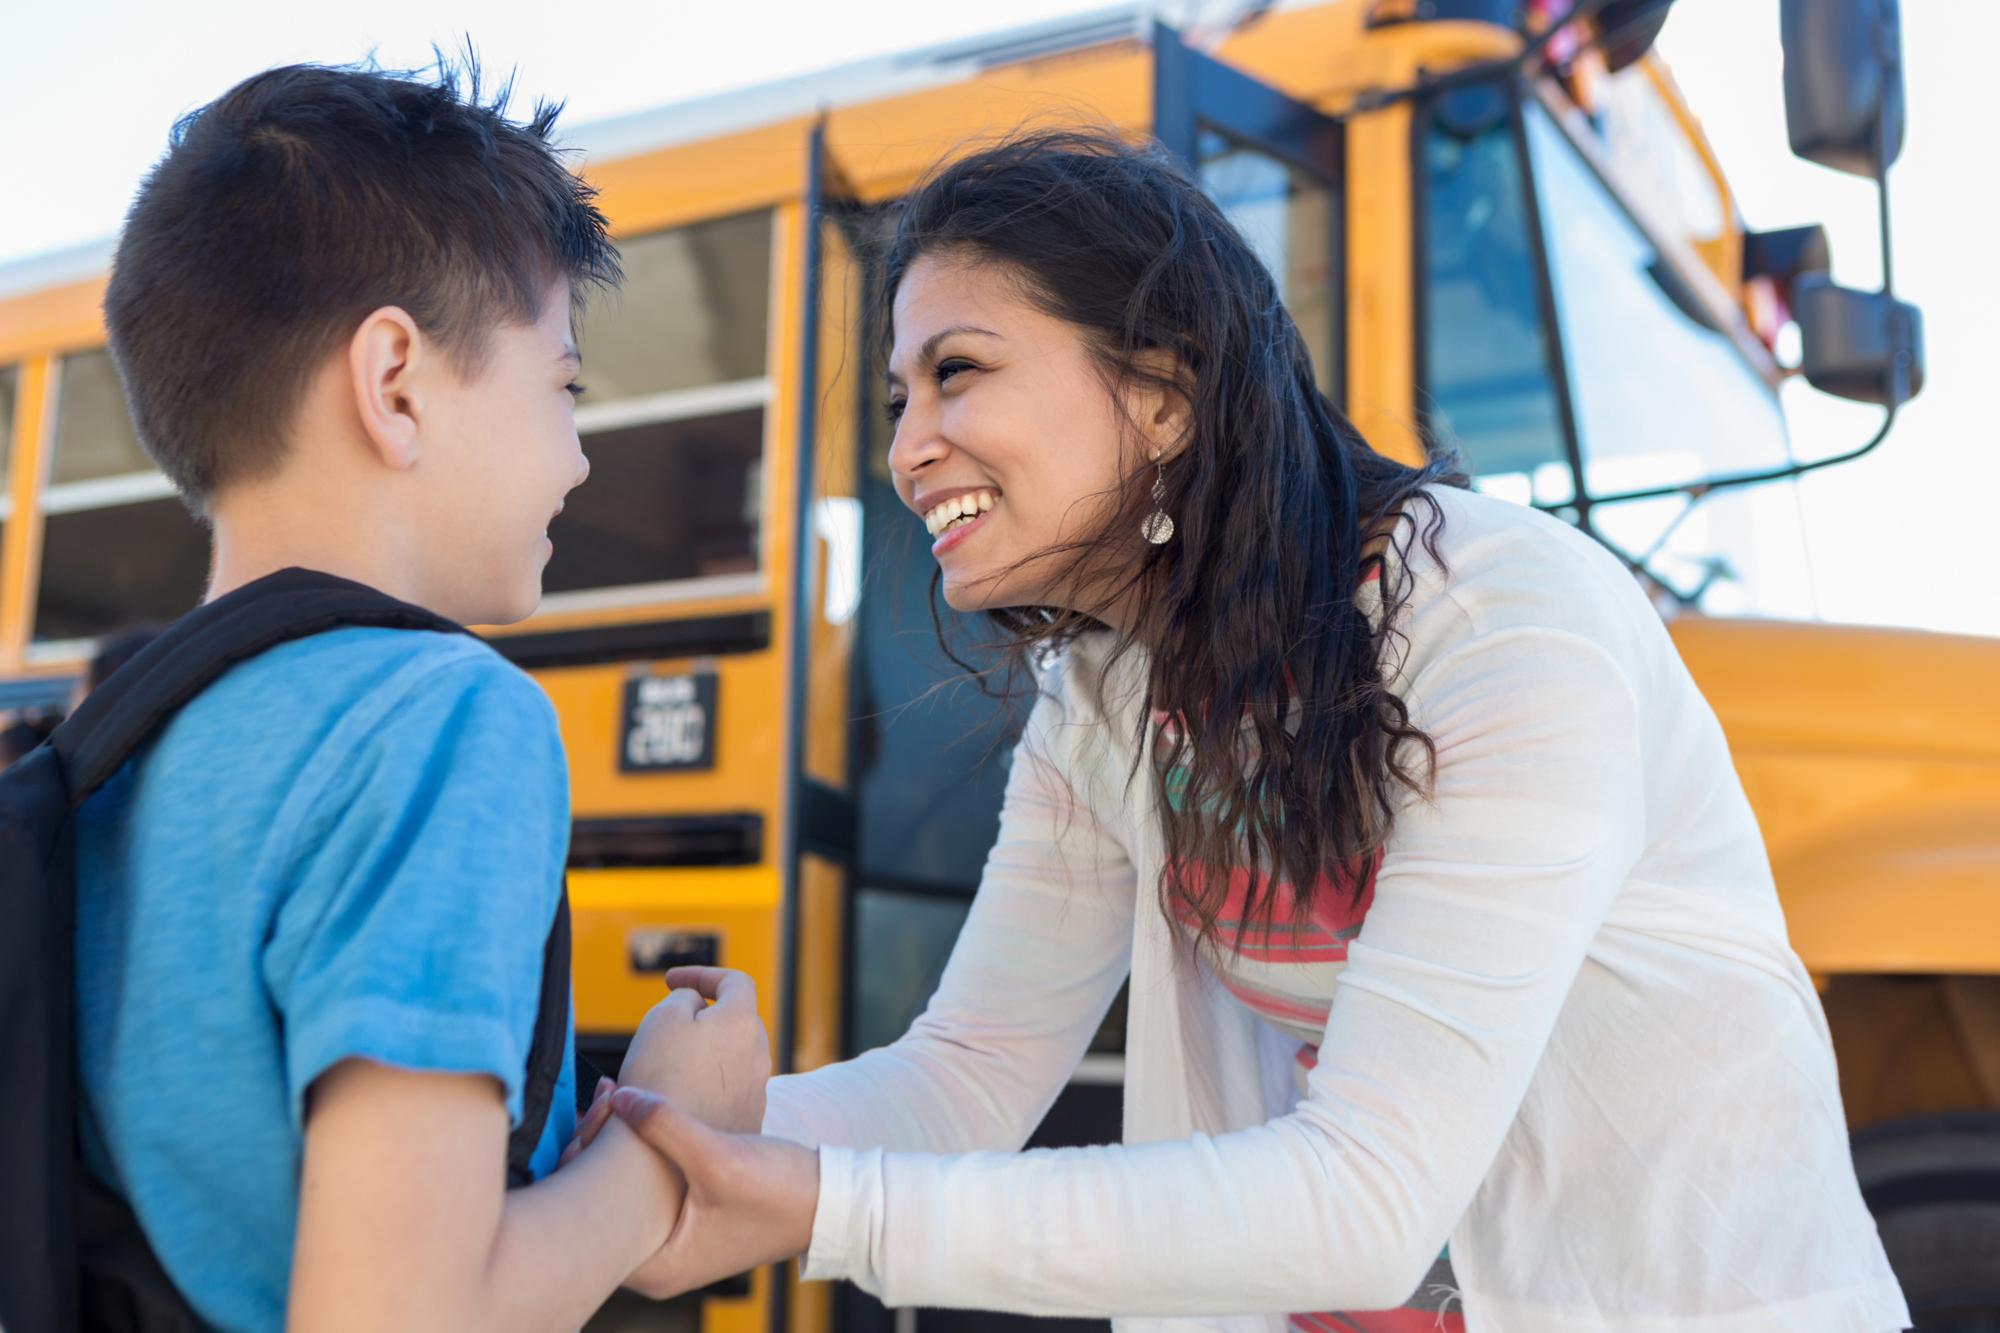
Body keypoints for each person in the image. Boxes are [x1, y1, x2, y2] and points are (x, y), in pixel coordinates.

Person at [575, 131, 1911, 1332]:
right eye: (896, 402)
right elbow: (966, 1074)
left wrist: (822, 1205)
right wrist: (659, 1132)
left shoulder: (1504, 625)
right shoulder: (1101, 699)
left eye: (957, 374)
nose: (908, 447)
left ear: (1162, 392)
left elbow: (1368, 1197)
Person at [76, 59, 766, 1331]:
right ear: (394, 382)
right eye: (562, 385)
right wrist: (673, 1138)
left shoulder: (127, 742)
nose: (577, 453)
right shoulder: (441, 721)